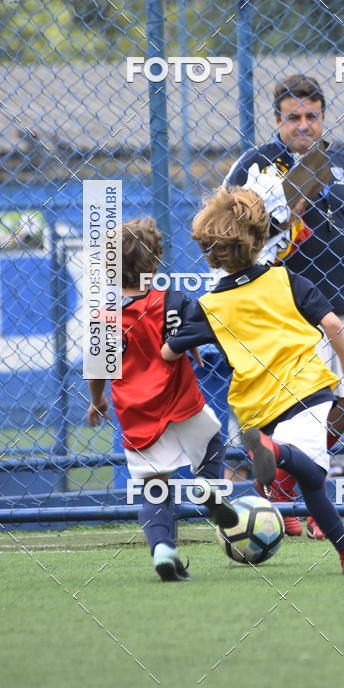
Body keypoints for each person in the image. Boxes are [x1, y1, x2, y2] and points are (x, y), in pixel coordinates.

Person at [161, 187, 344, 574]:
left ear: (210, 253)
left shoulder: (209, 306)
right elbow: (331, 323)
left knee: (307, 480)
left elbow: (168, 352)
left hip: (255, 408)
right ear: (261, 239)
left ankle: (338, 542)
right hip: (305, 389)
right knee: (313, 475)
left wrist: (181, 345)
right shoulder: (285, 280)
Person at [226, 74, 344, 536]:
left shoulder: (341, 164)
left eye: (312, 116)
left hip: (340, 306)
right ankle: (305, 501)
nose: (303, 125)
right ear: (277, 121)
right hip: (281, 309)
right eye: (293, 118)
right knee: (301, 409)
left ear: (322, 117)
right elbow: (226, 230)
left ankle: (286, 483)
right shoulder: (255, 164)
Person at [86, 217, 237, 583]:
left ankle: (163, 550)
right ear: (156, 259)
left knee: (155, 488)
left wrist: (98, 400)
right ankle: (208, 488)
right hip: (181, 401)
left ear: (110, 270)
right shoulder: (172, 300)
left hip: (138, 415)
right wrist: (192, 351)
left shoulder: (105, 319)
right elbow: (190, 331)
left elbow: (97, 372)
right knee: (213, 443)